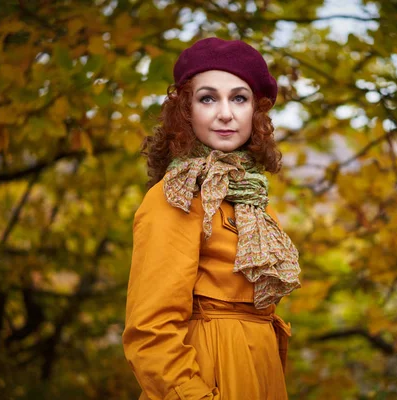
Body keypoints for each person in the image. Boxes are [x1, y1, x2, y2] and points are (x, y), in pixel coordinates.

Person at [122, 37, 301, 400]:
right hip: (206, 377)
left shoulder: (250, 201)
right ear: (186, 110)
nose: (225, 113)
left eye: (239, 98)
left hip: (259, 376)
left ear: (255, 111)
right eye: (208, 98)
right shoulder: (177, 195)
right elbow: (150, 332)